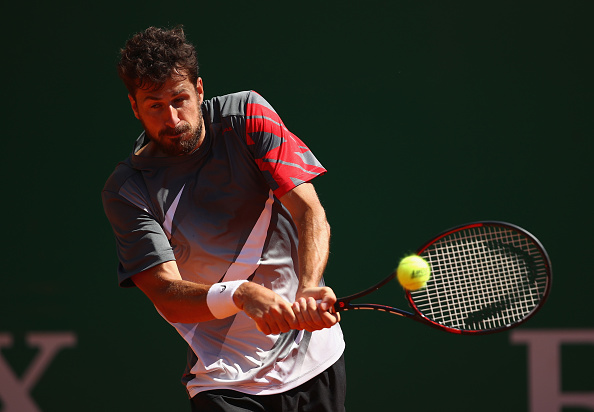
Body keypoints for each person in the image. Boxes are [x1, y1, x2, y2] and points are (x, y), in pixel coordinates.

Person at [101, 26, 346, 411]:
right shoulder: (128, 189)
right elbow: (166, 294)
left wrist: (310, 286)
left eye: (180, 99)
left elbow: (308, 211)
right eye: (154, 106)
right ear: (134, 107)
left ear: (199, 89)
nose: (172, 118)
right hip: (223, 381)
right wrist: (240, 294)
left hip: (314, 362)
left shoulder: (247, 115)